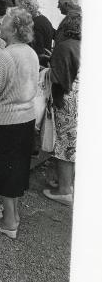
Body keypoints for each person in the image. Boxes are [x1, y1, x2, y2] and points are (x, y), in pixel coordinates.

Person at [0, 7, 39, 239]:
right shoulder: (30, 53)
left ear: (13, 29)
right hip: (26, 118)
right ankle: (10, 214)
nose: (0, 24)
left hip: (5, 120)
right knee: (16, 169)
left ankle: (10, 222)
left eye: (4, 22)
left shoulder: (4, 56)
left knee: (5, 171)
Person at [43, 13, 81, 206]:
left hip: (66, 103)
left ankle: (64, 190)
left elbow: (57, 79)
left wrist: (49, 69)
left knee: (64, 146)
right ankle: (69, 185)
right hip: (80, 102)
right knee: (73, 146)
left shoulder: (64, 46)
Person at [15, 0, 55, 65]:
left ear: (28, 7)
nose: (17, 11)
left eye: (19, 8)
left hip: (37, 66)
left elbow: (38, 53)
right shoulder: (43, 19)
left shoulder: (35, 24)